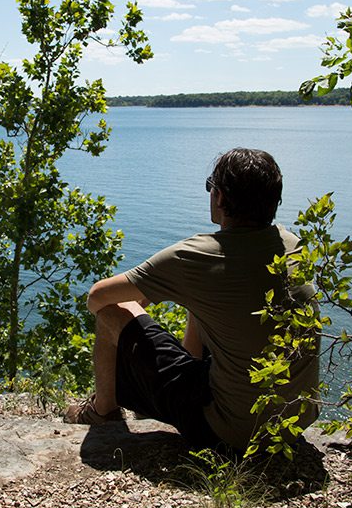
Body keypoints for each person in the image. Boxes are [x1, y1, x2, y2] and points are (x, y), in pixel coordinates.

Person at [64, 147, 319, 454]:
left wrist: (145, 298)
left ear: (221, 197)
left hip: (227, 433)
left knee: (114, 310)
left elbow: (97, 297)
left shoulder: (195, 256)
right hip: (292, 423)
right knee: (203, 296)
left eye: (211, 186)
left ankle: (102, 411)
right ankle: (173, 387)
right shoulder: (292, 243)